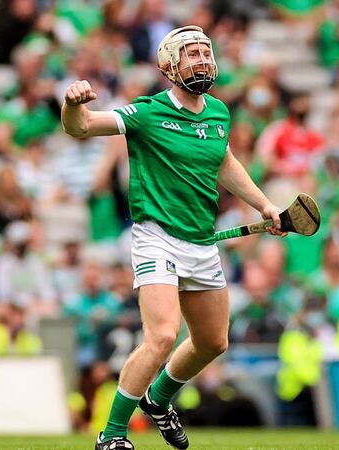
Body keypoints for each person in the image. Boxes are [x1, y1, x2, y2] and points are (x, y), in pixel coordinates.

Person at [61, 25, 286, 450]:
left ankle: (158, 399)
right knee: (163, 335)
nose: (202, 60)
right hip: (157, 237)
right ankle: (111, 436)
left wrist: (264, 205)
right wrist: (72, 106)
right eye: (192, 55)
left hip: (202, 241)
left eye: (206, 53)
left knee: (212, 342)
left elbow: (225, 162)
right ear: (169, 66)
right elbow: (83, 127)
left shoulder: (219, 113)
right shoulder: (146, 113)